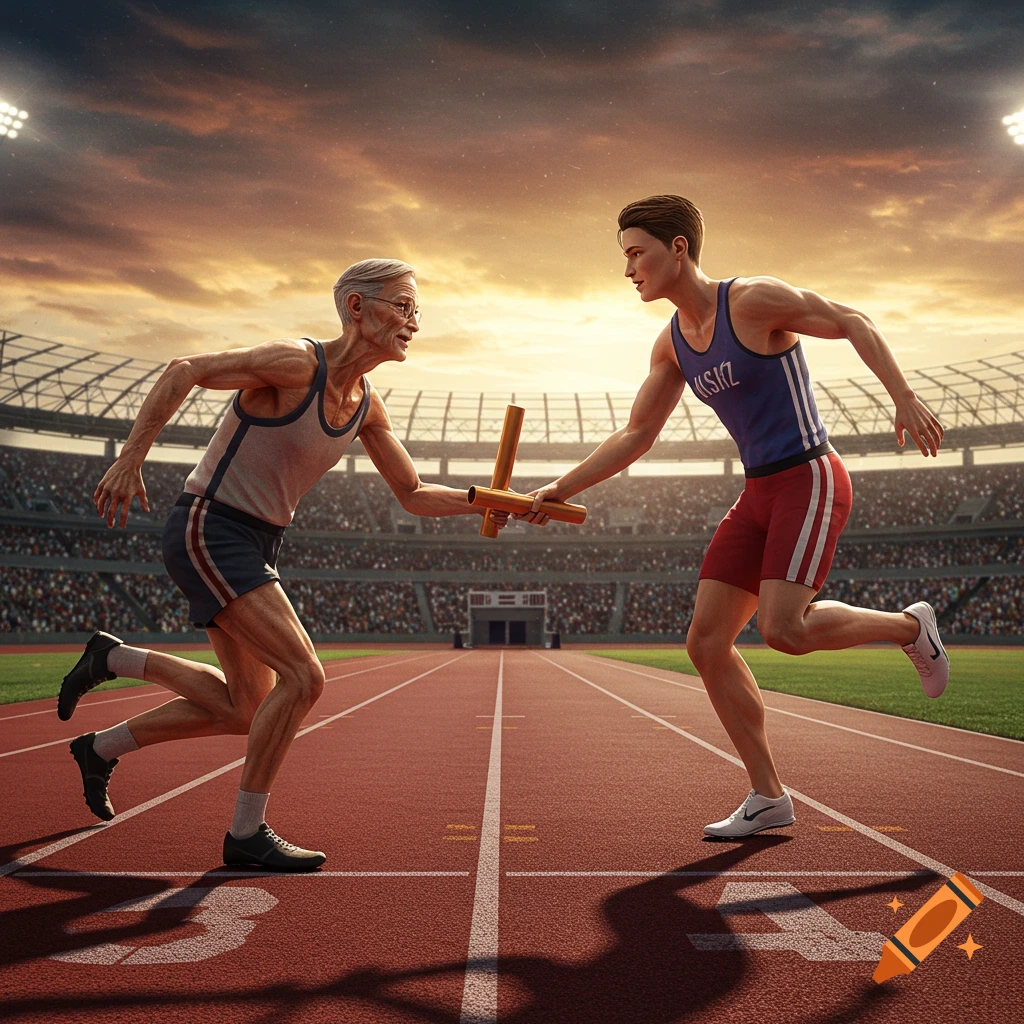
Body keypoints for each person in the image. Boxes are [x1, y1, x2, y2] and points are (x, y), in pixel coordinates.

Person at [59, 258, 508, 870]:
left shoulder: (366, 406)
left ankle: (104, 717)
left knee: (247, 708)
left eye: (416, 310)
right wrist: (130, 457)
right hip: (212, 526)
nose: (414, 321)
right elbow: (185, 368)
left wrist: (488, 500)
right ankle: (246, 834)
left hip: (259, 540)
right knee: (304, 677)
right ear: (357, 307)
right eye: (403, 306)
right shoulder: (297, 364)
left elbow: (412, 493)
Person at [523, 195, 949, 839]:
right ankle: (768, 796)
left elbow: (851, 320)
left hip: (809, 476)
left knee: (784, 629)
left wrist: (904, 397)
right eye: (625, 257)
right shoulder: (671, 344)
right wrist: (562, 486)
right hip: (757, 493)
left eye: (636, 253)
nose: (628, 269)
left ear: (678, 249)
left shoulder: (750, 301)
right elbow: (637, 433)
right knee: (705, 643)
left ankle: (910, 628)